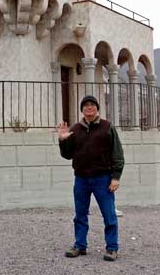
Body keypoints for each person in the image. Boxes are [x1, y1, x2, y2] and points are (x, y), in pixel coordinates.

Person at [58, 94, 124, 262]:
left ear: (97, 108)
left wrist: (115, 177)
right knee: (80, 215)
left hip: (103, 178)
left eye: (92, 105)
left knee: (109, 214)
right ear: (82, 109)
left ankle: (112, 248)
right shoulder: (75, 129)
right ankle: (80, 245)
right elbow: (67, 155)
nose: (89, 107)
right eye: (86, 105)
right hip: (81, 179)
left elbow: (117, 153)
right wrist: (62, 140)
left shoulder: (107, 127)